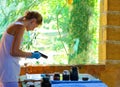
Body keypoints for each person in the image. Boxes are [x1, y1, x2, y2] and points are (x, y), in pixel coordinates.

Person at [0, 11, 43, 87]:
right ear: (33, 21)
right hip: (9, 70)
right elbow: (14, 52)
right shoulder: (20, 27)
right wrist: (32, 55)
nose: (33, 29)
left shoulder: (16, 25)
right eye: (35, 26)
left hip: (5, 69)